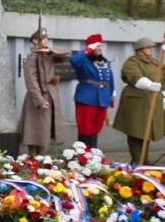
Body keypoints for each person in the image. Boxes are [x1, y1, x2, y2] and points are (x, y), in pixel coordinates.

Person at [114, 37, 165, 164]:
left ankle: (144, 158)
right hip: (136, 101)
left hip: (152, 100)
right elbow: (134, 75)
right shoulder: (132, 62)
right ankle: (136, 158)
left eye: (152, 48)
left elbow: (164, 81)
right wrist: (149, 85)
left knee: (147, 130)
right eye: (148, 48)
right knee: (135, 130)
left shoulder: (155, 63)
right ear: (140, 49)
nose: (151, 50)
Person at [18, 27, 71, 155]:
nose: (46, 40)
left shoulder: (49, 55)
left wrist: (49, 51)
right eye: (43, 39)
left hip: (50, 93)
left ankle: (40, 157)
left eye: (47, 38)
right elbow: (31, 81)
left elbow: (67, 53)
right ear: (35, 41)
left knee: (45, 128)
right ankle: (33, 157)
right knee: (35, 128)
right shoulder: (32, 58)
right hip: (37, 96)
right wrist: (39, 100)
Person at [69, 33, 115, 149]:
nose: (99, 48)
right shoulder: (84, 61)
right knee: (85, 128)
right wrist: (88, 49)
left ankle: (93, 154)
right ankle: (82, 153)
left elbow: (110, 79)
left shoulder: (105, 62)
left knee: (96, 128)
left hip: (103, 98)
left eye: (100, 46)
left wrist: (111, 95)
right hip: (87, 97)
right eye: (96, 46)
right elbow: (74, 60)